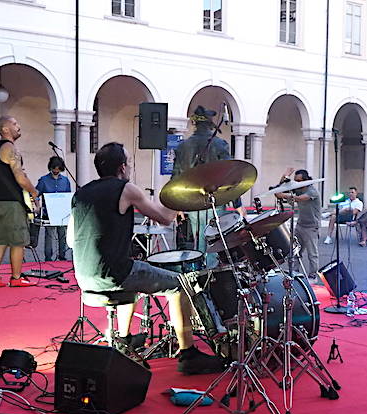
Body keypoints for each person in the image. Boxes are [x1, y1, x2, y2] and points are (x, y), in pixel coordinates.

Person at [71, 142, 223, 375]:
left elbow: (72, 239)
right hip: (114, 273)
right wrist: (180, 197)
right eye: (129, 163)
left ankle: (124, 338)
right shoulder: (126, 188)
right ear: (122, 167)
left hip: (83, 277)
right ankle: (188, 354)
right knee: (180, 285)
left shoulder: (81, 193)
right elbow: (164, 218)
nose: (130, 167)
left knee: (136, 271)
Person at [172, 105, 241, 265]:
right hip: (214, 202)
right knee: (212, 240)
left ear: (195, 124)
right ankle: (211, 276)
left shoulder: (183, 146)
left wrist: (177, 206)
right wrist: (237, 204)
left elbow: (175, 177)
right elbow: (229, 175)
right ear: (211, 125)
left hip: (190, 201)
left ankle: (195, 274)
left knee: (194, 241)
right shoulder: (219, 144)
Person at [0, 116, 39, 288]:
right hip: (12, 202)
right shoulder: (10, 148)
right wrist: (34, 193)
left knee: (1, 240)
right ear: (5, 129)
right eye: (15, 124)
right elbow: (20, 178)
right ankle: (16, 277)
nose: (18, 126)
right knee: (18, 241)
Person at [275, 168, 321, 280]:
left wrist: (284, 196)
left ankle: (313, 274)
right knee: (295, 250)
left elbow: (301, 199)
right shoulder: (298, 189)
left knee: (312, 253)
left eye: (299, 181)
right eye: (295, 180)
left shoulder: (312, 191)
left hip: (311, 226)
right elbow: (278, 191)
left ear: (305, 180)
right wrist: (284, 176)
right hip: (300, 224)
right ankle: (295, 272)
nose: (296, 183)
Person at [36, 156, 72, 261]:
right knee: (49, 236)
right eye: (54, 168)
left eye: (58, 169)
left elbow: (68, 196)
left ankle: (62, 256)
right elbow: (36, 194)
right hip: (48, 213)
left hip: (62, 213)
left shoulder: (65, 181)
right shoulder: (44, 180)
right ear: (50, 168)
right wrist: (37, 206)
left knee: (62, 235)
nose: (56, 171)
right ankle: (48, 258)